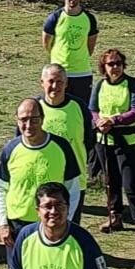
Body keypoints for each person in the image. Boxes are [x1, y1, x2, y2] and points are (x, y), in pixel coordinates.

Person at [0, 99, 83, 249]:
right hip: (17, 226)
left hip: (51, 224)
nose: (28, 125)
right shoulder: (10, 149)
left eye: (34, 120)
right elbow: (1, 188)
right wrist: (2, 224)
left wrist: (65, 221)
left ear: (42, 119)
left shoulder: (61, 147)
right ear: (17, 120)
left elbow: (73, 188)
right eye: (23, 120)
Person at [91, 48, 135, 243]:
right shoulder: (99, 85)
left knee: (131, 182)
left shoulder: (132, 84)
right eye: (111, 64)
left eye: (118, 63)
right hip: (104, 141)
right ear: (104, 67)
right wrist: (99, 122)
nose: (115, 67)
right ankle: (114, 216)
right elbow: (92, 109)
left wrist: (113, 120)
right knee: (111, 181)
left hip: (128, 142)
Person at [37, 64, 96, 214]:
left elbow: (89, 141)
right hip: (41, 181)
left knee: (70, 230)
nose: (55, 86)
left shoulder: (79, 107)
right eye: (51, 81)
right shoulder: (34, 108)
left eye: (60, 82)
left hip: (74, 181)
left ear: (67, 84)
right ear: (42, 82)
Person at [41, 0, 100, 109]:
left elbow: (90, 46)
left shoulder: (89, 19)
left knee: (82, 110)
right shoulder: (54, 18)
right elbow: (46, 43)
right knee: (58, 108)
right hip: (60, 73)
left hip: (82, 74)